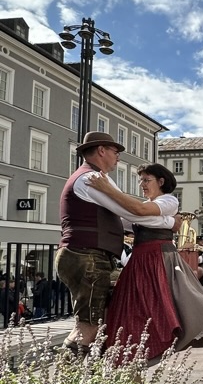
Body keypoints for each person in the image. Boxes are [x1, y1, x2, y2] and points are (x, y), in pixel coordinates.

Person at [88, 163, 203, 359]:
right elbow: (129, 216)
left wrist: (108, 191)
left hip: (158, 258)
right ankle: (129, 352)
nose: (142, 184)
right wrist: (170, 222)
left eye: (147, 180)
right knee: (134, 307)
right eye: (141, 180)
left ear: (161, 182)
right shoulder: (147, 205)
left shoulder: (169, 201)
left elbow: (137, 212)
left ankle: (144, 348)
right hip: (141, 260)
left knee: (165, 305)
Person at [55, 131, 178, 356]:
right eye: (115, 151)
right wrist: (172, 222)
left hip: (84, 255)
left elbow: (124, 218)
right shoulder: (93, 179)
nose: (118, 156)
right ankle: (66, 372)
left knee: (102, 317)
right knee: (88, 325)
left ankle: (90, 369)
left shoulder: (90, 177)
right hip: (88, 256)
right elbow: (134, 213)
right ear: (101, 150)